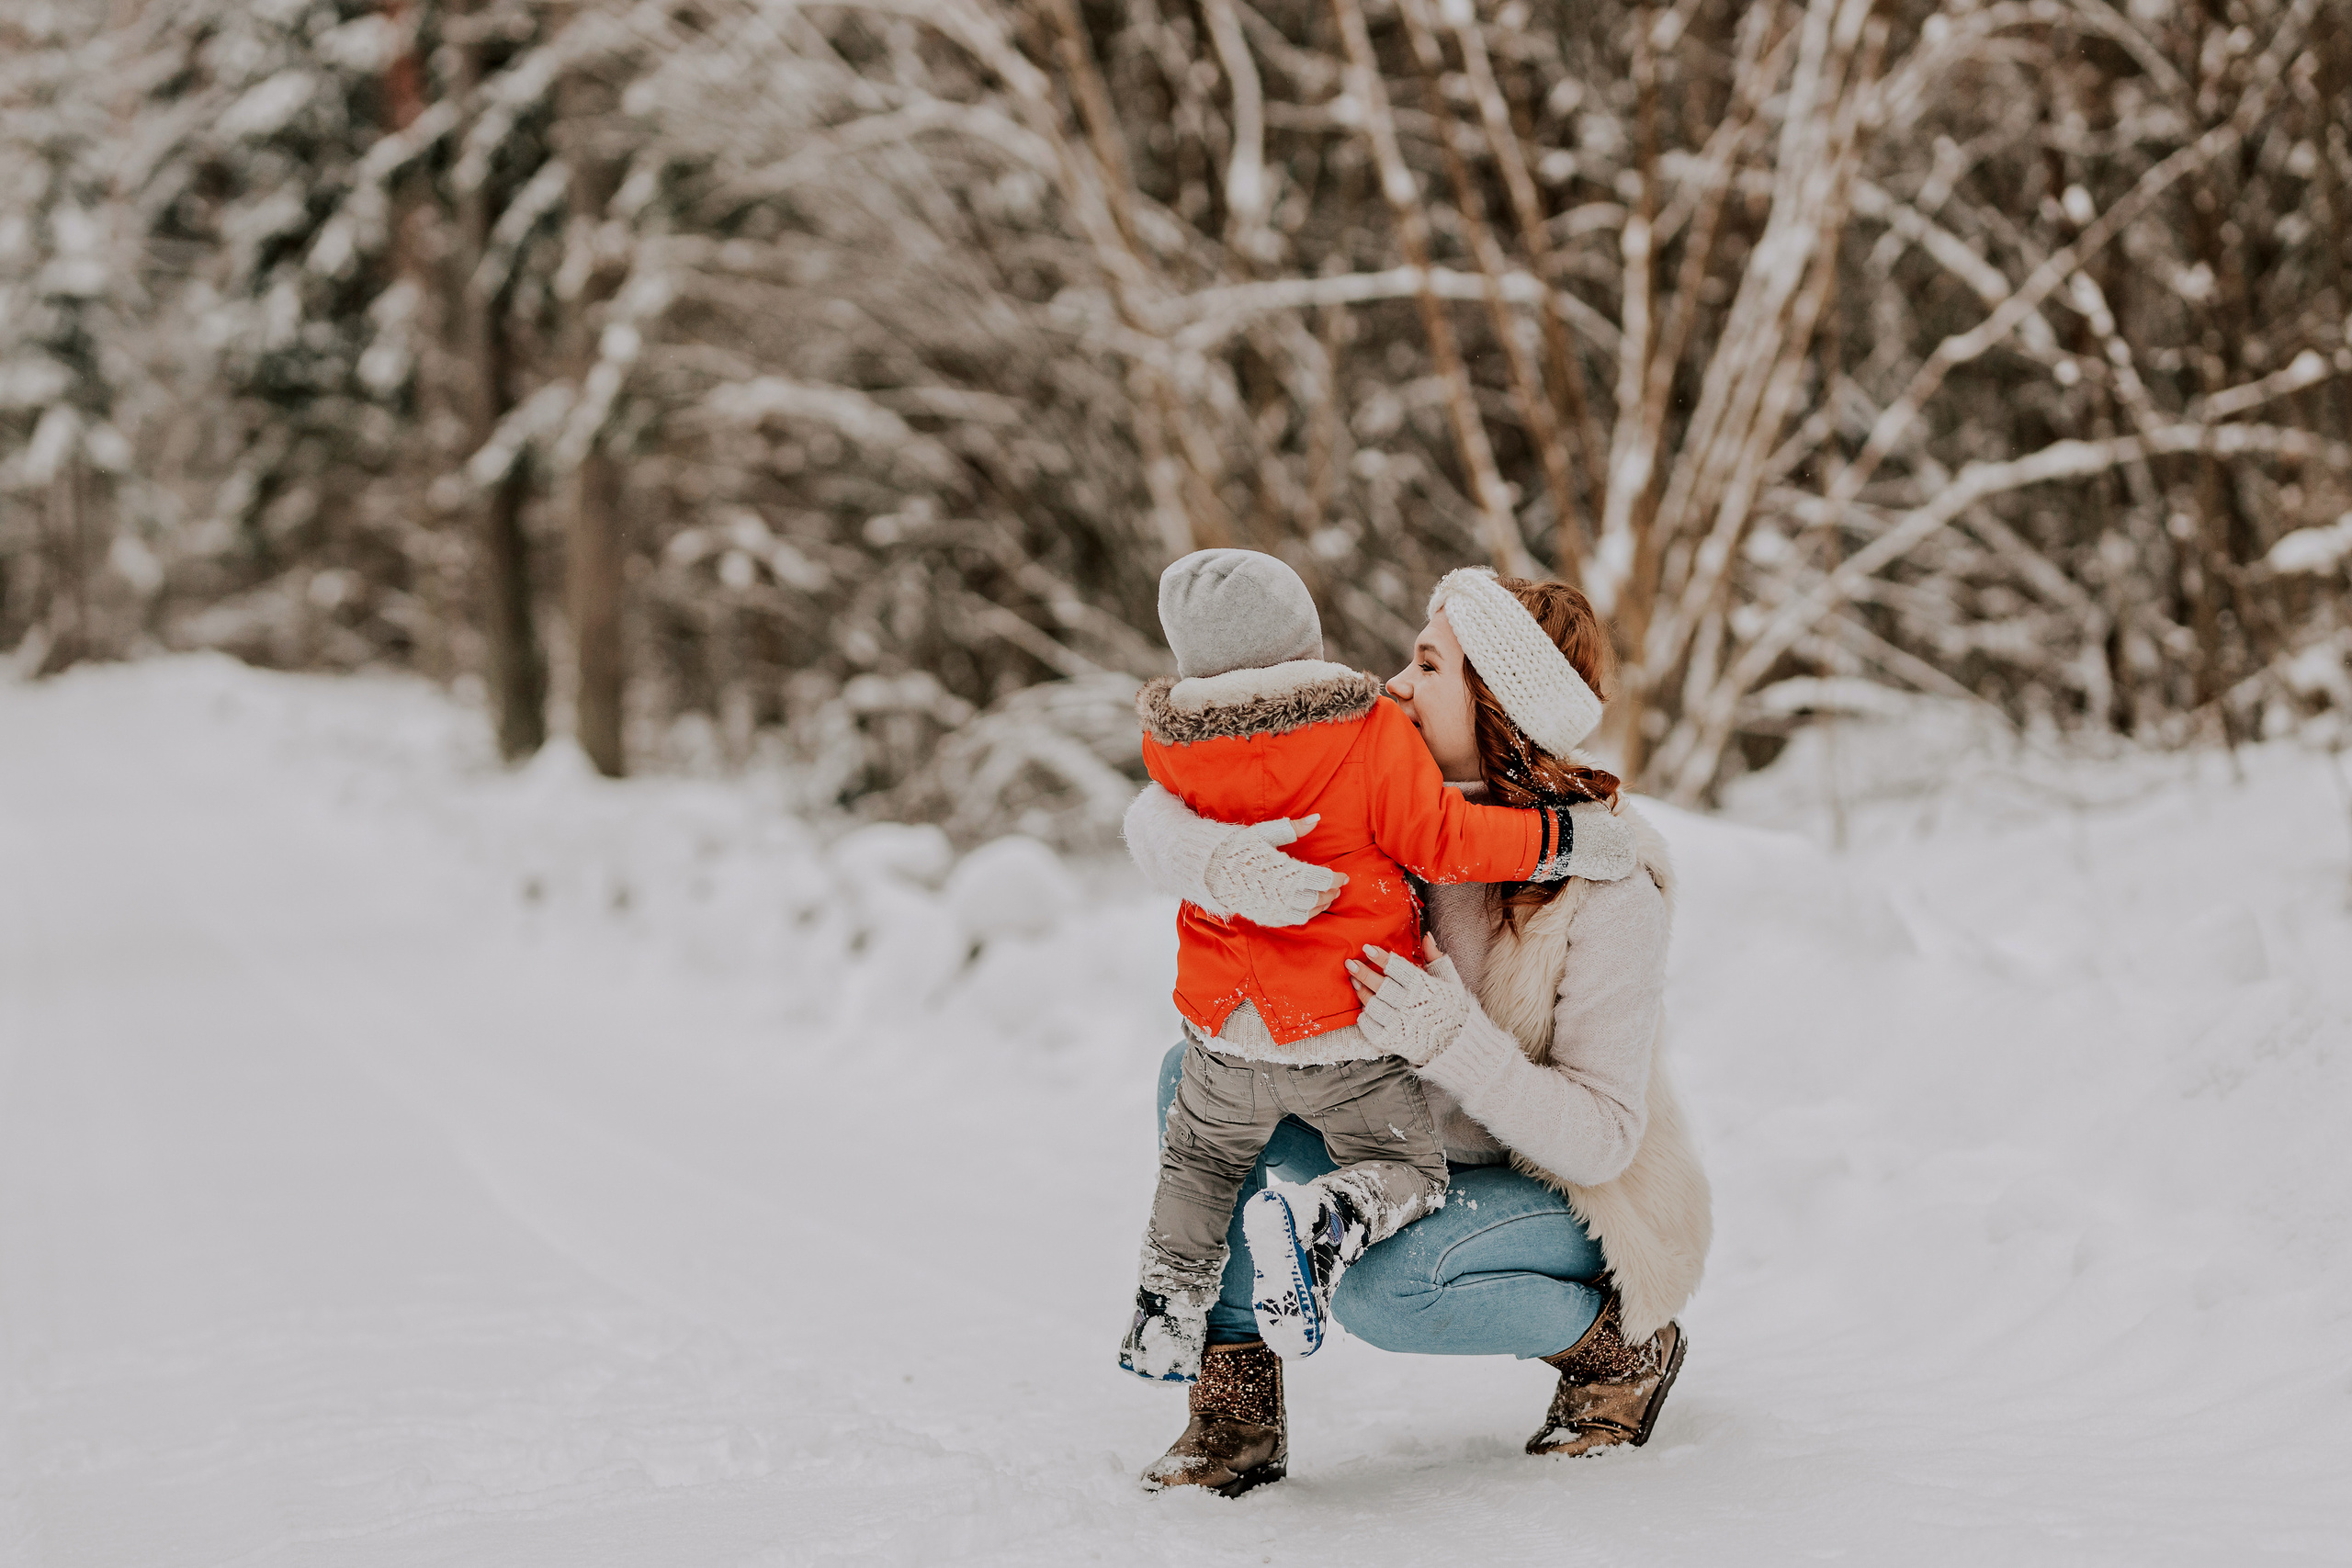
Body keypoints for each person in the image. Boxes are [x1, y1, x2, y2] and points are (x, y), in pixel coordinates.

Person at [1122, 568, 1708, 1495]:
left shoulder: (1605, 888)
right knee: (1185, 1076)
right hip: (1394, 1142)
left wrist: (1452, 1039)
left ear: (1496, 704)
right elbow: (1171, 796)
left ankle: (1617, 1347)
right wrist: (1216, 862)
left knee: (1383, 1290)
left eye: (1426, 664)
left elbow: (1601, 1143)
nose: (1391, 682)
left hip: (1556, 1200)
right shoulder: (1379, 788)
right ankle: (1233, 1409)